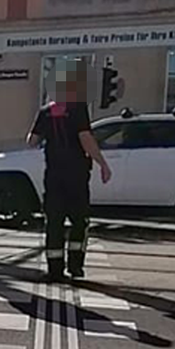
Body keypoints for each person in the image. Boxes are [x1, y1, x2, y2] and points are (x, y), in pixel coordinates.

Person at [28, 63, 112, 282]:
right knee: (79, 220)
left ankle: (54, 269)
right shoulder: (77, 108)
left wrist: (47, 128)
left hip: (53, 176)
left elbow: (32, 140)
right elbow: (86, 139)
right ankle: (75, 266)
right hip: (76, 175)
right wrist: (102, 162)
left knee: (54, 222)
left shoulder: (46, 112)